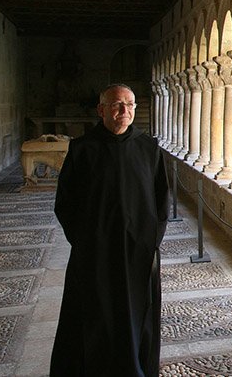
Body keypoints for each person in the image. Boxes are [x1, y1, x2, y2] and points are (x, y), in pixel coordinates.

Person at [50, 84, 170, 376]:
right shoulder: (82, 149)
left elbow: (162, 199)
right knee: (95, 312)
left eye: (129, 105)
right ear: (101, 110)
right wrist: (83, 241)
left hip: (137, 252)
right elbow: (65, 203)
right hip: (95, 252)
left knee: (137, 312)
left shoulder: (149, 148)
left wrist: (151, 240)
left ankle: (136, 368)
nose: (124, 111)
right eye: (117, 105)